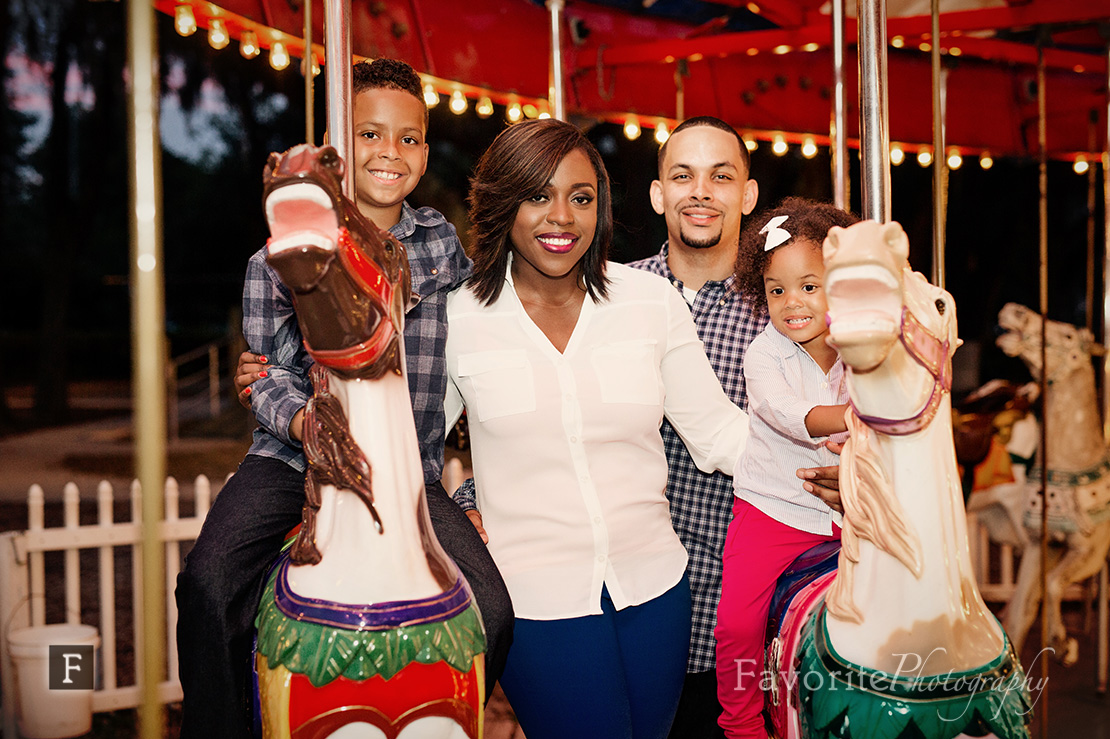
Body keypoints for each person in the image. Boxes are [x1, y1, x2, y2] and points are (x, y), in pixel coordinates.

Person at [176, 58, 512, 738]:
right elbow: (262, 370)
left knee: (495, 608)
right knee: (208, 583)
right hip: (291, 460)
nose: (391, 151)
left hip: (409, 470)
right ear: (340, 145)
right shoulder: (282, 252)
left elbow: (478, 357)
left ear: (423, 147)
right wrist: (302, 421)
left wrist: (471, 488)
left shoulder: (441, 245)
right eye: (371, 133)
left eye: (409, 137)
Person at [446, 118, 751, 739]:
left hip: (659, 591)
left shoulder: (648, 302)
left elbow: (719, 434)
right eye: (538, 195)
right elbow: (409, 450)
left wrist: (835, 461)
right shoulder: (457, 318)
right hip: (536, 602)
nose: (561, 217)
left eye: (580, 198)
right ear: (505, 201)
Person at [625, 116, 765, 737]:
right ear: (659, 194)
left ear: (748, 195)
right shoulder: (611, 294)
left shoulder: (782, 305)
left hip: (738, 605)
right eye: (683, 176)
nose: (701, 192)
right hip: (625, 594)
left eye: (721, 176)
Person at [714, 198, 860, 738]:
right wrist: (862, 415)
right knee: (736, 623)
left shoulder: (859, 352)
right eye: (777, 290)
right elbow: (790, 415)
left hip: (847, 513)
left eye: (808, 285)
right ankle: (742, 724)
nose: (791, 302)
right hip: (771, 511)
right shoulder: (763, 355)